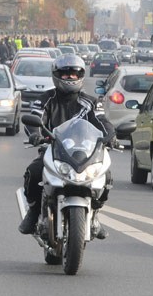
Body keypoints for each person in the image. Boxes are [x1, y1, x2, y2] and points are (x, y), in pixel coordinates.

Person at [18, 53, 115, 239]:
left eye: (74, 73)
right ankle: (33, 211)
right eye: (65, 74)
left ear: (81, 75)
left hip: (85, 154)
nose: (70, 77)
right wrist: (36, 135)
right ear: (56, 75)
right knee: (35, 171)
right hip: (53, 150)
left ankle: (95, 216)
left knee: (107, 175)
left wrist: (111, 136)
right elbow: (34, 119)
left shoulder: (91, 102)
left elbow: (103, 121)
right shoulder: (46, 98)